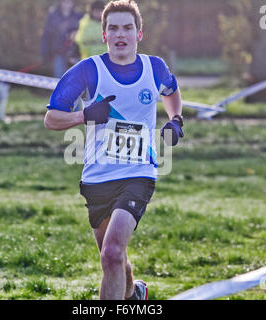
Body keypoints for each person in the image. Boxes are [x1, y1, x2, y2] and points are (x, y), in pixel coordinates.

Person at [44, 0, 184, 300]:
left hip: (138, 173)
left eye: (127, 28)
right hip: (96, 178)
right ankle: (135, 295)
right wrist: (84, 115)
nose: (121, 34)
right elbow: (51, 119)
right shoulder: (86, 71)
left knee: (112, 251)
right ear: (104, 35)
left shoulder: (154, 67)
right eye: (113, 28)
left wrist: (175, 120)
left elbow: (171, 91)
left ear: (139, 34)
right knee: (113, 258)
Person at [41, 0, 83, 78]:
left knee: (75, 79)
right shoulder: (53, 15)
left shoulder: (78, 16)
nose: (67, 4)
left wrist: (76, 34)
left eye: (69, 2)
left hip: (74, 54)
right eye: (65, 1)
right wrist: (45, 52)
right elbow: (46, 35)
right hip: (58, 53)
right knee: (59, 78)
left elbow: (84, 33)